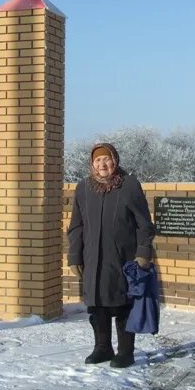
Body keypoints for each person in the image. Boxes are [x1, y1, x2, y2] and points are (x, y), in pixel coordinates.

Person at [67, 143, 155, 368]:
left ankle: (126, 351)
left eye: (106, 159)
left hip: (123, 259)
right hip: (93, 259)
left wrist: (143, 253)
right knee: (97, 305)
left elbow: (144, 224)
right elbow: (76, 226)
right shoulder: (84, 188)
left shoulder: (129, 186)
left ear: (114, 161)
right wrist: (75, 255)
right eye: (97, 161)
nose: (102, 164)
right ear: (92, 164)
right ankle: (102, 348)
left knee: (124, 305)